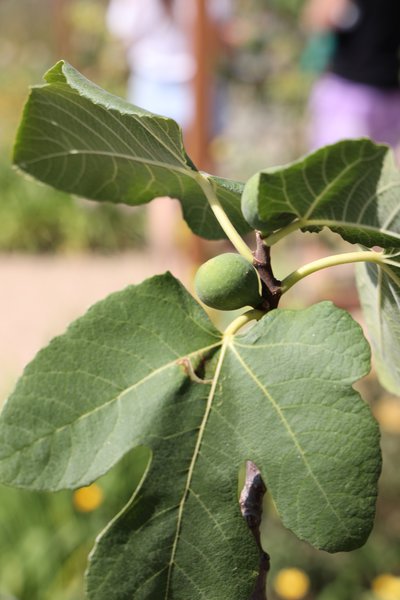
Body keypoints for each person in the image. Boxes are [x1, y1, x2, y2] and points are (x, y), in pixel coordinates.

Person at [302, 0, 400, 153]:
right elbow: (318, 17)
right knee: (337, 169)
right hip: (348, 94)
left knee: (381, 172)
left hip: (389, 96)